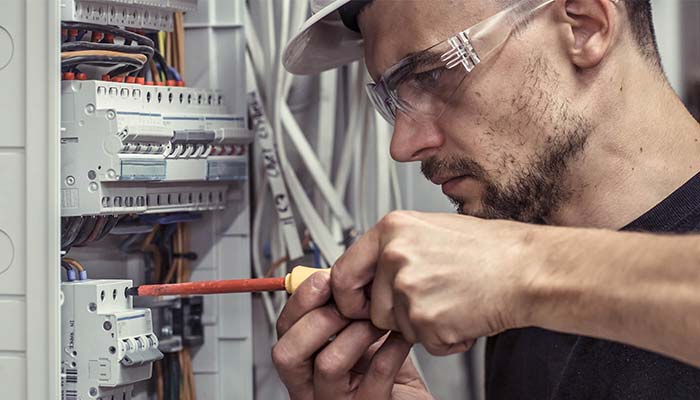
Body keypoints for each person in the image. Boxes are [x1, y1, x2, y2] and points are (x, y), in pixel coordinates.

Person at [273, 0, 700, 399]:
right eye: (394, 100)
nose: (402, 146)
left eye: (431, 74)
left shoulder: (519, 274)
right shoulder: (521, 265)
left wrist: (522, 272)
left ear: (584, 26)